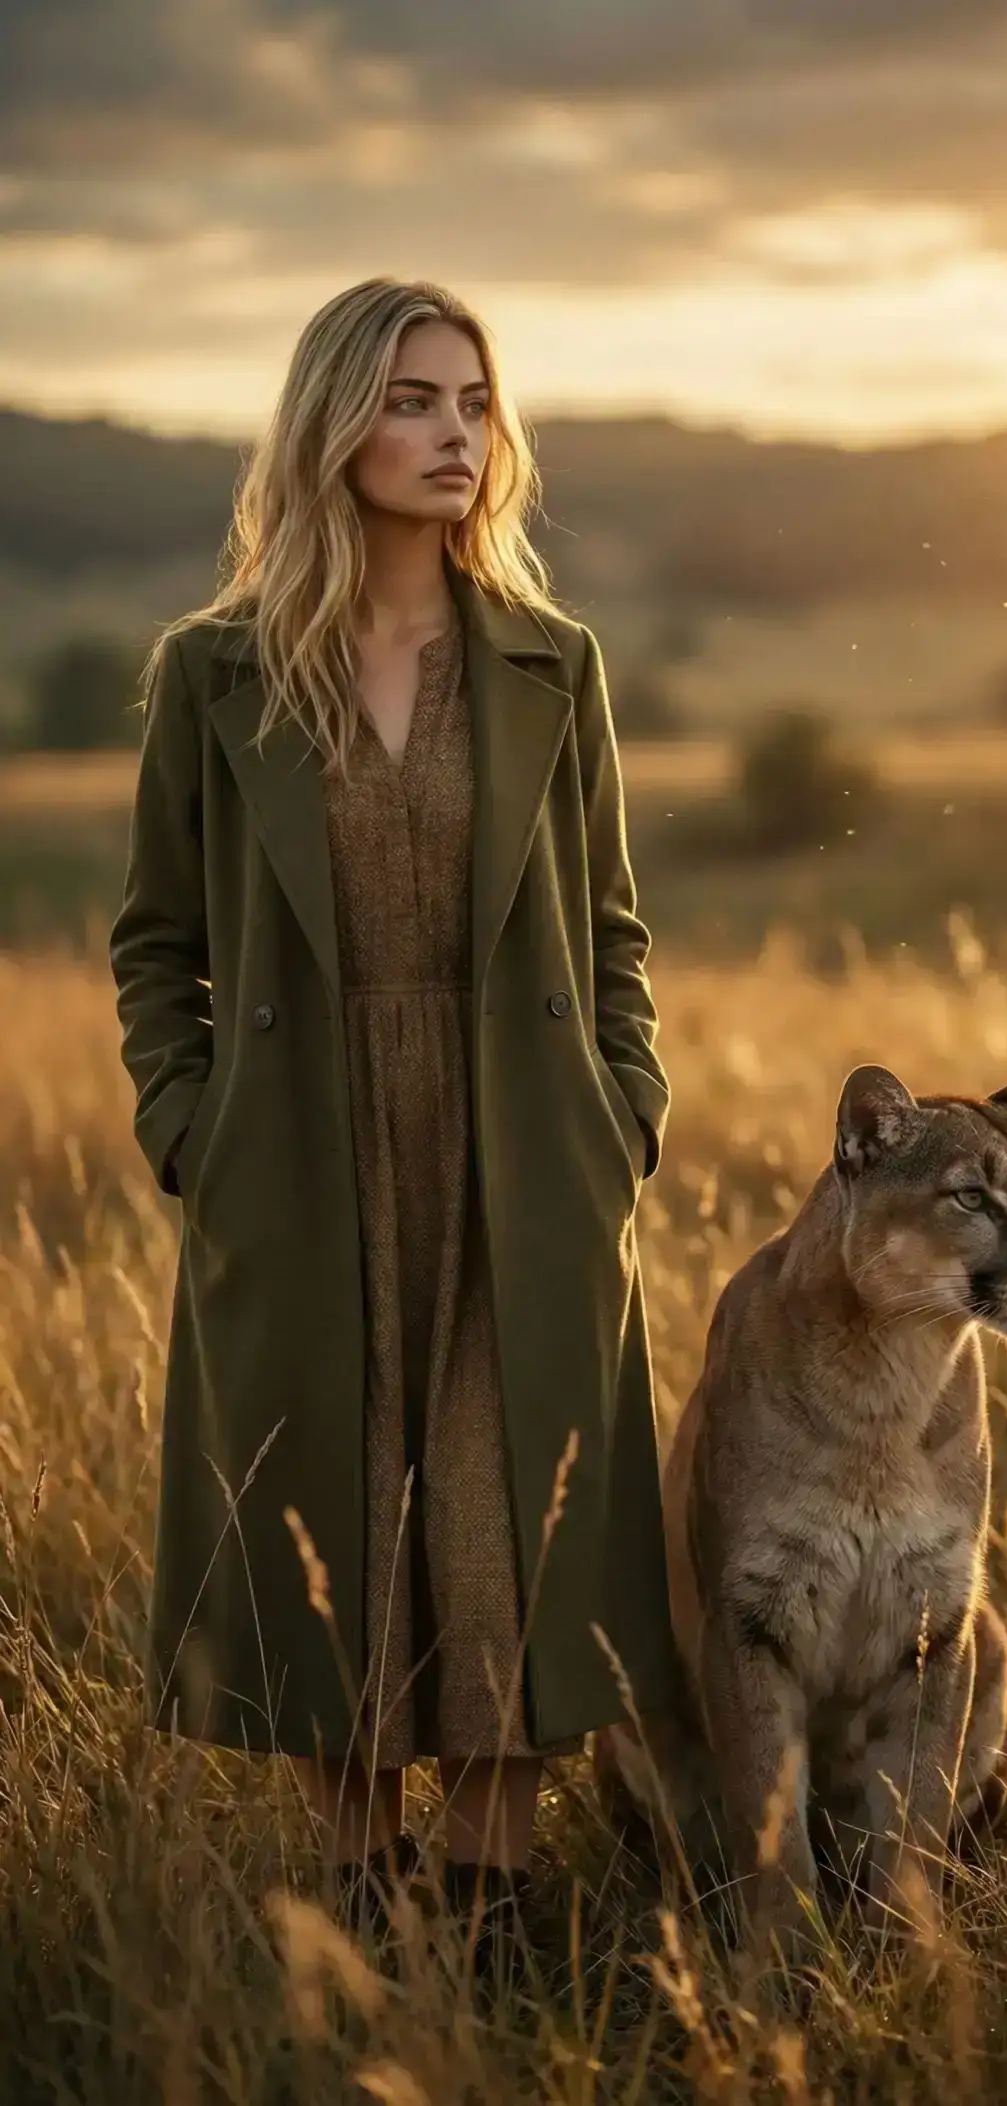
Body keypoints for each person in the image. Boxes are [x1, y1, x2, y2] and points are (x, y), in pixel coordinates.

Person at [108, 276, 677, 1957]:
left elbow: (615, 929)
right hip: (298, 1154)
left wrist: (620, 1115)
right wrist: (187, 1131)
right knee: (337, 1521)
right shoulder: (215, 674)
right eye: (415, 400)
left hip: (525, 1149)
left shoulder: (551, 666)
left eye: (473, 403)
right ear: (334, 424)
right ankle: (360, 1911)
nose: (452, 434)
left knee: (510, 1518)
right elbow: (156, 940)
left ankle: (496, 1916)